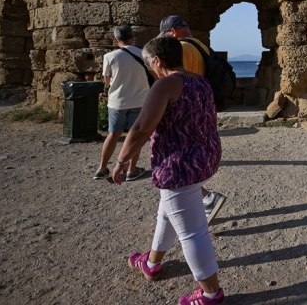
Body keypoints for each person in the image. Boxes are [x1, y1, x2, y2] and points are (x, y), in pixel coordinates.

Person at [111, 36, 225, 305]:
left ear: (157, 60)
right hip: (203, 158)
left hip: (178, 165)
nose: (150, 69)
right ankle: (151, 263)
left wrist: (121, 160)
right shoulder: (200, 81)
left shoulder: (165, 85)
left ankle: (211, 294)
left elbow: (141, 128)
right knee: (168, 211)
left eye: (149, 63)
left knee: (192, 232)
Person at [159, 15, 227, 224]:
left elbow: (177, 77)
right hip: (201, 105)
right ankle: (200, 201)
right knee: (185, 163)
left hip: (186, 108)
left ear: (172, 32)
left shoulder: (182, 48)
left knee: (176, 163)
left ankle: (203, 201)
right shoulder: (200, 45)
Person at [94, 25, 150, 181]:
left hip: (117, 101)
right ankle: (132, 170)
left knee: (113, 134)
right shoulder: (143, 54)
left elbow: (107, 81)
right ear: (133, 38)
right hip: (139, 100)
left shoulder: (109, 56)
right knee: (135, 136)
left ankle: (102, 168)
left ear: (115, 40)